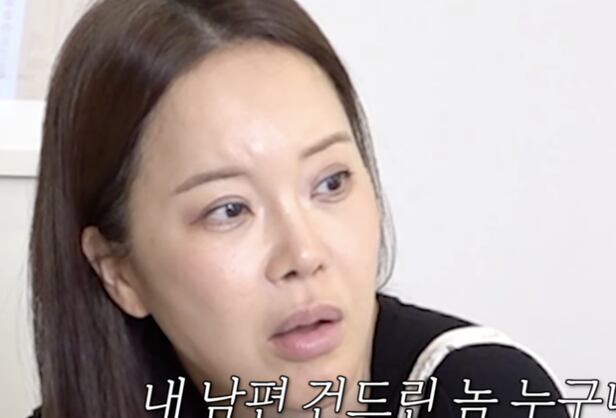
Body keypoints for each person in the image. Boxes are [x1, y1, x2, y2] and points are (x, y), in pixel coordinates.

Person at [27, 0, 570, 417]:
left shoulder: (484, 395)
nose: (304, 254)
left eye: (331, 183)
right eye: (229, 210)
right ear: (119, 272)